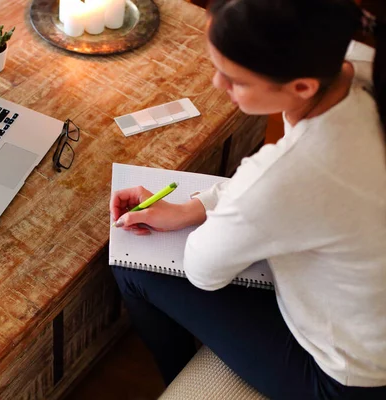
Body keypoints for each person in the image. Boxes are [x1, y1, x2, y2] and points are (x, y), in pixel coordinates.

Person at [109, 0, 386, 398]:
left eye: (234, 78)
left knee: (134, 266)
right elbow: (284, 189)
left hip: (345, 379)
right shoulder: (358, 64)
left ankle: (176, 381)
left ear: (302, 86)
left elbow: (204, 270)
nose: (217, 85)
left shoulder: (291, 172)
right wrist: (194, 207)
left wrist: (223, 210)